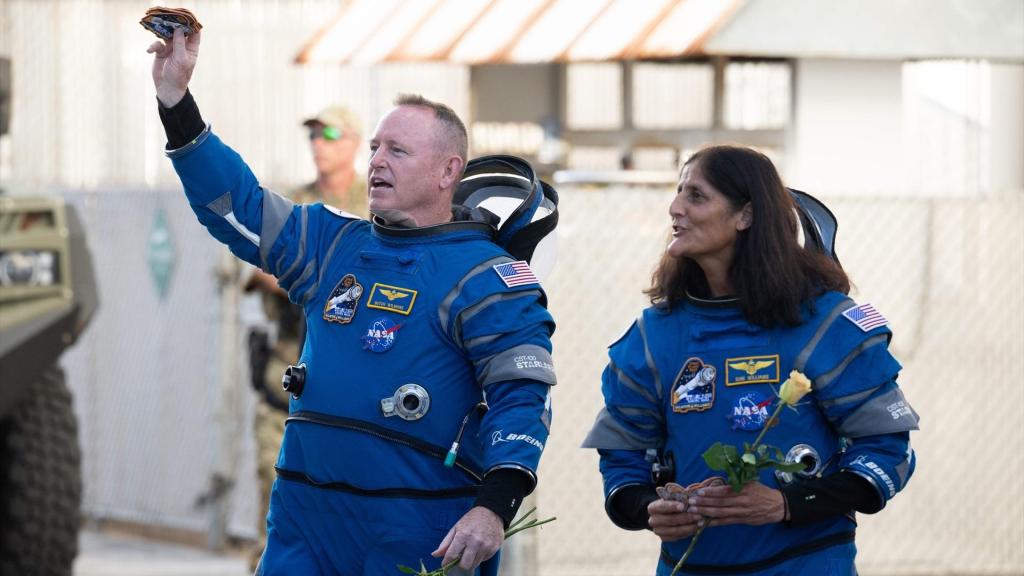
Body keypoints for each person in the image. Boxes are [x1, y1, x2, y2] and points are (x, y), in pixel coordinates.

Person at [147, 29, 556, 575]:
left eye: (398, 151)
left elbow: (521, 396)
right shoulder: (331, 242)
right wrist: (176, 102)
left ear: (448, 172)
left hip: (421, 528)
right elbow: (235, 204)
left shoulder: (488, 276)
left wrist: (493, 508)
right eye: (375, 149)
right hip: (304, 523)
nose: (377, 162)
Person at [582, 145, 919, 575]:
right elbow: (623, 458)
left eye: (696, 196)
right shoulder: (653, 336)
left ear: (746, 215)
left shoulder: (825, 324)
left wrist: (787, 504)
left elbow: (887, 451)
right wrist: (650, 507)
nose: (675, 208)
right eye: (678, 193)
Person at [243, 103, 367, 570]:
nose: (319, 144)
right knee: (275, 502)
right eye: (313, 135)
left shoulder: (376, 203)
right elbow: (258, 266)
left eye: (330, 134)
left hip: (355, 388)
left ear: (354, 142)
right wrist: (312, 278)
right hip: (289, 379)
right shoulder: (295, 205)